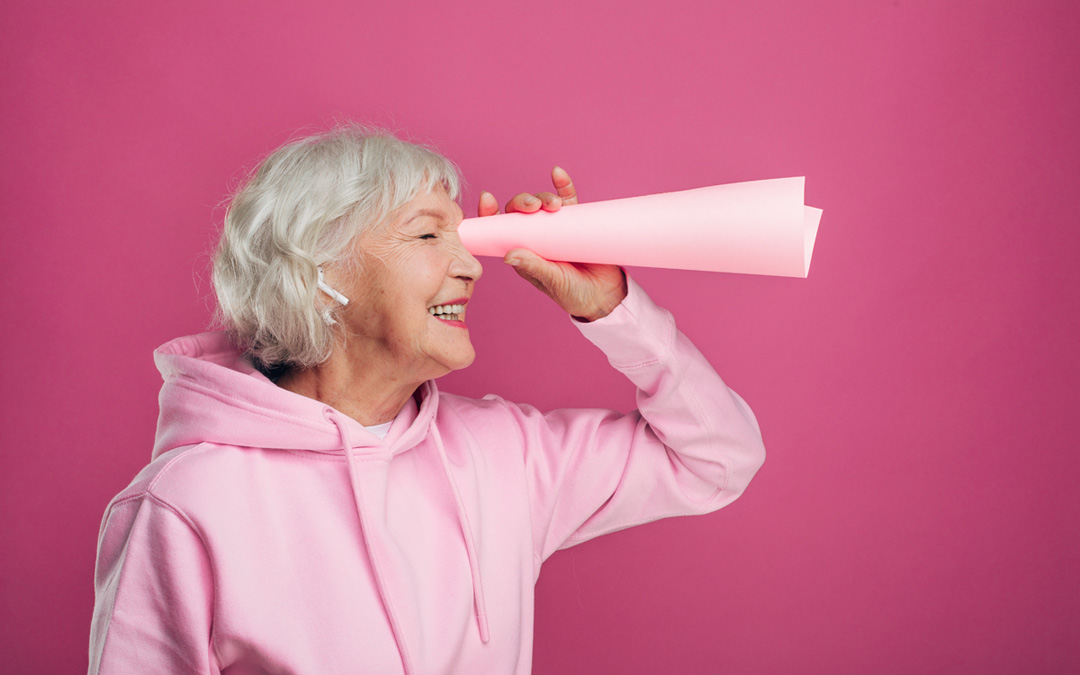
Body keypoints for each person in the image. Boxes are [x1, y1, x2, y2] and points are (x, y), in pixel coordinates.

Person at [89, 125, 766, 674]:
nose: (471, 265)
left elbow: (719, 457)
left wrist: (615, 311)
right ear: (318, 270)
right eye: (427, 234)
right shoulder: (186, 503)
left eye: (464, 236)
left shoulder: (507, 455)